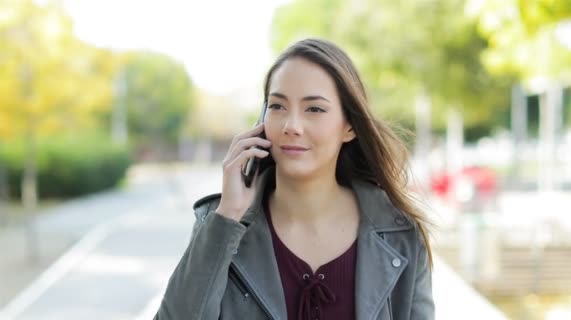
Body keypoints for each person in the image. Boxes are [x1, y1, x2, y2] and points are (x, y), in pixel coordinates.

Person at [154, 38, 434, 320]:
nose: (291, 126)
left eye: (314, 109)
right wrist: (227, 216)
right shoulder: (219, 224)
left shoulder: (400, 234)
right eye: (277, 106)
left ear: (349, 126)